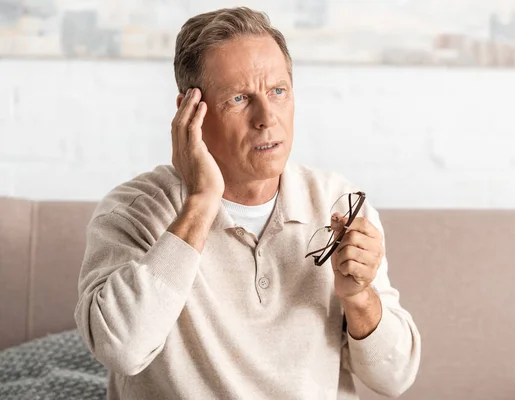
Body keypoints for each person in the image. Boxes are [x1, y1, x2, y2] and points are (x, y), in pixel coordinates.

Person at [74, 6, 421, 400]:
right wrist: (201, 203)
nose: (266, 117)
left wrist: (359, 298)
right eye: (239, 98)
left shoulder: (336, 202)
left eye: (278, 91)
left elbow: (396, 379)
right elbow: (120, 349)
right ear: (191, 113)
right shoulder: (133, 211)